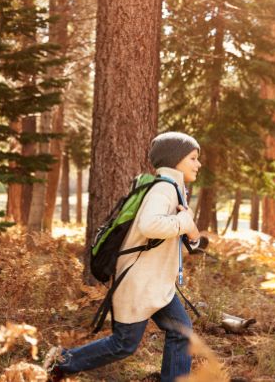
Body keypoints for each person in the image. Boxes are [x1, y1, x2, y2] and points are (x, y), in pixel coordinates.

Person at [46, 132, 204, 382]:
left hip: (156, 284)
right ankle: (61, 362)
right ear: (175, 160)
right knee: (124, 344)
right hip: (139, 283)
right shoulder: (163, 189)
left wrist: (192, 233)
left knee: (182, 331)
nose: (198, 164)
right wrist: (184, 222)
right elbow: (149, 225)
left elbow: (174, 236)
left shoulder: (173, 188)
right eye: (193, 158)